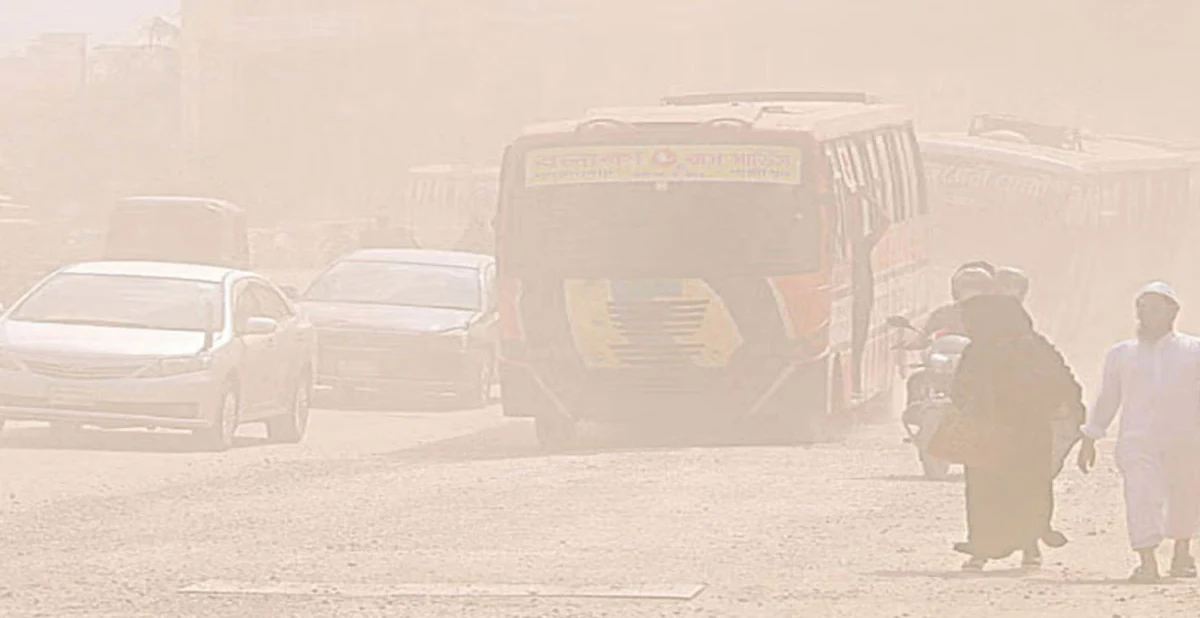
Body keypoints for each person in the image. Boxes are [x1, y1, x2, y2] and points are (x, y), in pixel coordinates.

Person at [950, 293, 1086, 571]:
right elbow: (1066, 383)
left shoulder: (984, 349)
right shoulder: (1034, 346)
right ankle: (1023, 547)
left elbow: (960, 389)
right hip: (1026, 432)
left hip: (998, 430)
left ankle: (985, 551)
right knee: (1026, 488)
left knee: (988, 493)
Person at [1078, 282, 1200, 582]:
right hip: (1137, 440)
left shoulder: (1194, 350)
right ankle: (1147, 561)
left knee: (1184, 496)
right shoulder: (1121, 354)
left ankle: (1182, 552)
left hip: (1186, 439)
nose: (1146, 315)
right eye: (1141, 309)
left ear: (1173, 311)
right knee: (1141, 495)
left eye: (1154, 308)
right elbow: (1108, 397)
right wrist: (1091, 435)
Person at [922, 263, 997, 336]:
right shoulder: (942, 314)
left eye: (977, 285)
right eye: (966, 285)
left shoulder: (999, 314)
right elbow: (923, 340)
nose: (971, 291)